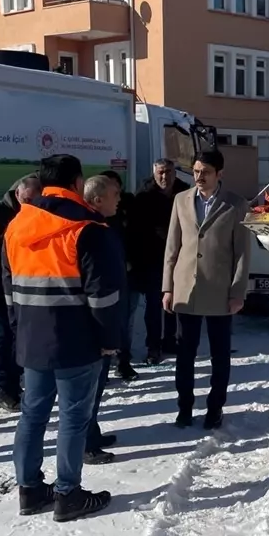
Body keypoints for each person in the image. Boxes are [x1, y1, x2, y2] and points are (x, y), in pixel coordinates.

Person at [4, 154, 123, 521]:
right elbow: (103, 296)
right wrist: (109, 339)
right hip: (76, 340)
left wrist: (18, 328)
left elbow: (8, 287)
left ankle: (29, 490)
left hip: (32, 337)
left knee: (32, 415)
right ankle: (68, 493)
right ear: (77, 183)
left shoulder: (17, 225)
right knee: (73, 418)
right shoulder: (88, 227)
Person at [163, 150, 251, 430]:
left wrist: (237, 292)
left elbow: (242, 253)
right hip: (186, 289)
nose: (199, 177)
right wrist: (167, 288)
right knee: (184, 354)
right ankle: (184, 408)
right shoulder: (181, 200)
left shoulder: (235, 204)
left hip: (219, 291)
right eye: (196, 171)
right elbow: (172, 247)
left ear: (219, 174)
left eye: (206, 172)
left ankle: (215, 409)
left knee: (219, 355)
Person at [0, 174, 42, 411]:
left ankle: (16, 384)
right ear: (17, 193)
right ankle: (3, 388)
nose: (31, 204)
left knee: (21, 338)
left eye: (35, 200)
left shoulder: (38, 214)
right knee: (2, 338)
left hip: (26, 288)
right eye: (27, 199)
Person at [81, 174, 123, 465]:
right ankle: (85, 444)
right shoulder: (90, 230)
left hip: (105, 317)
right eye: (114, 194)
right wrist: (106, 334)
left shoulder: (103, 225)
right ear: (97, 199)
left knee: (97, 386)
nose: (119, 199)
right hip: (93, 324)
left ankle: (91, 433)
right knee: (88, 389)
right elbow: (96, 286)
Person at [132, 158, 190, 364]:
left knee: (174, 302)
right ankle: (153, 346)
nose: (165, 176)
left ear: (175, 172)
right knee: (154, 305)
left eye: (169, 172)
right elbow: (136, 229)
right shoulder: (144, 195)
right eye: (161, 172)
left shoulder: (184, 192)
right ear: (154, 173)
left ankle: (170, 340)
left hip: (179, 256)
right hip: (152, 258)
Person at [100, 169, 140, 382]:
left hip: (128, 274)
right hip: (104, 279)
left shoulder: (129, 207)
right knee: (104, 322)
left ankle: (123, 361)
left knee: (125, 321)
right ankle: (103, 368)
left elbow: (138, 236)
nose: (115, 192)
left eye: (117, 188)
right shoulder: (94, 217)